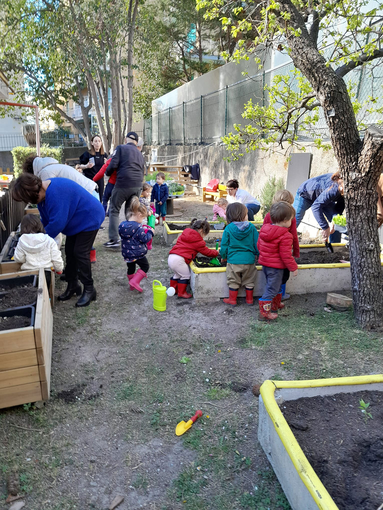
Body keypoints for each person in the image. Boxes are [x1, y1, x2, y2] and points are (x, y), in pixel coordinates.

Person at [11, 174, 105, 307]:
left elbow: (57, 224)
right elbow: (45, 221)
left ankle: (90, 289)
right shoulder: (42, 196)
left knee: (80, 252)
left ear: (36, 191)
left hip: (90, 217)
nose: (32, 203)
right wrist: (38, 236)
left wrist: (39, 241)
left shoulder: (56, 192)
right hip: (76, 221)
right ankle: (73, 286)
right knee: (69, 251)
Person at [23, 154, 100, 263]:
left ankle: (86, 259)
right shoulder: (50, 166)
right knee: (79, 237)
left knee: (83, 235)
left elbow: (55, 207)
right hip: (89, 191)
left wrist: (48, 242)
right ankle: (82, 261)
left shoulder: (45, 173)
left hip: (87, 196)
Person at [257, 202, 298, 321]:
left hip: (266, 265)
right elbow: (286, 255)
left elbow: (259, 246)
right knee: (272, 289)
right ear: (285, 220)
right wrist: (293, 267)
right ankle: (264, 313)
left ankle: (275, 305)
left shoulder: (265, 230)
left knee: (276, 285)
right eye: (291, 219)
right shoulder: (286, 235)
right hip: (276, 267)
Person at [104, 131, 146, 248]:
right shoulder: (139, 153)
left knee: (114, 209)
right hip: (137, 185)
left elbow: (113, 165)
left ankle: (114, 239)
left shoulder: (121, 148)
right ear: (136, 142)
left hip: (123, 183)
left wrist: (107, 173)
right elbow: (143, 170)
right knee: (130, 211)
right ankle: (129, 237)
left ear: (126, 139)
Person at [168, 219, 219, 299]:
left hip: (171, 257)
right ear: (201, 231)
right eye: (205, 234)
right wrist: (216, 253)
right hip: (179, 260)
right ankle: (182, 293)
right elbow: (206, 252)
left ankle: (174, 289)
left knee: (177, 274)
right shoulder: (198, 241)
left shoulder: (185, 233)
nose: (204, 237)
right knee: (186, 275)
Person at [220, 203, 259, 306]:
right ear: (242, 215)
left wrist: (223, 257)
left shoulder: (228, 228)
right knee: (249, 280)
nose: (247, 216)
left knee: (233, 280)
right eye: (246, 214)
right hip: (249, 260)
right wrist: (258, 255)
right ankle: (249, 300)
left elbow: (224, 245)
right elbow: (257, 243)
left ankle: (232, 300)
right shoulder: (251, 227)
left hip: (233, 261)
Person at [263, 189, 299, 300]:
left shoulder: (268, 216)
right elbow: (294, 235)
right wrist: (296, 252)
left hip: (268, 255)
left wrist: (261, 252)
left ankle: (276, 298)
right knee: (283, 275)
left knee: (271, 277)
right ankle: (280, 295)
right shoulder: (290, 219)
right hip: (283, 251)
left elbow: (264, 234)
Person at [292, 172, 344, 242]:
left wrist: (334, 222)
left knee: (337, 223)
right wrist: (325, 227)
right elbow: (316, 207)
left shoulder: (347, 193)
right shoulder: (335, 188)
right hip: (305, 194)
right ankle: (281, 244)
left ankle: (334, 250)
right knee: (294, 220)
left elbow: (338, 210)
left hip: (323, 198)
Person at [119, 197, 154, 293]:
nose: (142, 220)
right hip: (137, 253)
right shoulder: (138, 227)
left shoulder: (122, 225)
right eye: (143, 218)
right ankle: (135, 282)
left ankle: (131, 284)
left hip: (127, 253)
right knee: (145, 266)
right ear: (139, 215)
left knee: (131, 267)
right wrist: (150, 232)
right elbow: (145, 239)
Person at [23, 154, 98, 198]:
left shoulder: (45, 172)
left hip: (88, 194)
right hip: (90, 191)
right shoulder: (52, 167)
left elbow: (52, 194)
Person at [79, 135, 108, 201]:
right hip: (89, 179)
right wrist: (86, 166)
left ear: (101, 143)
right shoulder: (87, 154)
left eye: (99, 141)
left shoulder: (104, 155)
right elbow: (78, 166)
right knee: (90, 199)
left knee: (100, 200)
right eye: (95, 141)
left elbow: (108, 170)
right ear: (92, 143)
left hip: (100, 180)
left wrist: (106, 165)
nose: (97, 143)